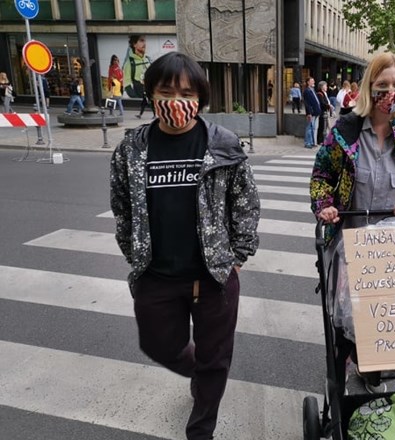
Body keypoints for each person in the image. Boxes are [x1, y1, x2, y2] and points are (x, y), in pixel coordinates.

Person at [109, 52, 260, 440]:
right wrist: (135, 253)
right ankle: (202, 373)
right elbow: (122, 207)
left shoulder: (223, 144)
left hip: (213, 278)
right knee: (159, 345)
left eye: (187, 92)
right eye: (166, 90)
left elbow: (245, 202)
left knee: (216, 360)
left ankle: (201, 427)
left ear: (200, 97)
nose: (176, 100)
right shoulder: (131, 149)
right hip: (156, 277)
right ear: (151, 94)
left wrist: (237, 257)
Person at [310, 51, 395, 393]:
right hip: (350, 247)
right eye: (382, 85)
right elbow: (322, 173)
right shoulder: (346, 130)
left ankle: (376, 369)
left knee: (389, 316)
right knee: (351, 321)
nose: (390, 92)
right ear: (370, 87)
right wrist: (325, 205)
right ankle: (359, 366)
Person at [303, 76, 322, 148]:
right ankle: (308, 142)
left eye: (313, 81)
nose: (313, 82)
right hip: (312, 112)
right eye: (312, 81)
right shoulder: (307, 91)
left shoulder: (312, 90)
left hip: (316, 112)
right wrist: (309, 113)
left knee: (312, 127)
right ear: (308, 82)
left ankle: (311, 142)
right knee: (309, 127)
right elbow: (307, 103)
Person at [316, 80, 333, 145]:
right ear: (322, 86)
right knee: (322, 126)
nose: (326, 87)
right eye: (325, 86)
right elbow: (322, 103)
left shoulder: (324, 93)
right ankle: (320, 140)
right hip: (322, 112)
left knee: (325, 126)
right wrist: (328, 106)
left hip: (326, 112)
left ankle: (324, 139)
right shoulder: (320, 94)